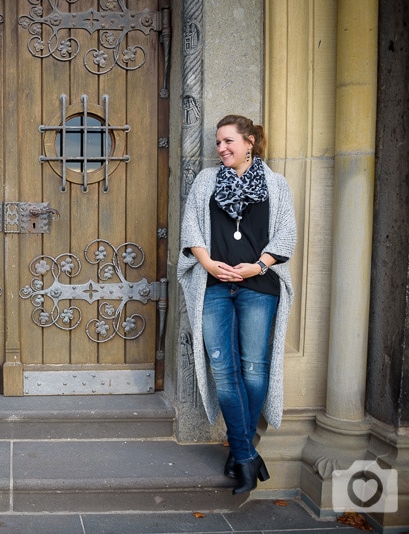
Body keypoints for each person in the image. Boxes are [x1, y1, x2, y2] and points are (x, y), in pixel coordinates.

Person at [177, 114, 296, 494]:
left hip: (258, 286)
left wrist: (258, 266)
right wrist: (209, 264)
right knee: (223, 369)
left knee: (254, 368)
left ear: (250, 143)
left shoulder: (275, 185)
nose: (221, 148)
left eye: (229, 141)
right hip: (213, 285)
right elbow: (191, 227)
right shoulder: (205, 182)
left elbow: (286, 233)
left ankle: (240, 450)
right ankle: (245, 455)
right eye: (217, 142)